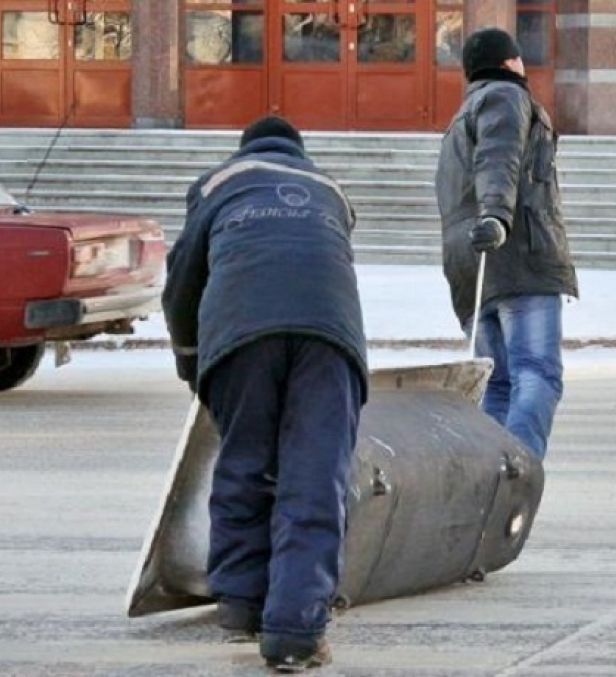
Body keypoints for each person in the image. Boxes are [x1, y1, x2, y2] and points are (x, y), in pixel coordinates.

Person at [162, 115, 368, 671]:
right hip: (329, 337)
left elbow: (182, 279)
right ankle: (295, 633)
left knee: (244, 463)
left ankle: (240, 605)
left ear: (244, 148)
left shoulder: (217, 184)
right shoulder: (330, 190)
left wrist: (190, 361)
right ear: (299, 152)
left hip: (240, 334)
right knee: (314, 476)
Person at [434, 27, 578, 461]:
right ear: (509, 62)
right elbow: (499, 158)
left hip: (470, 272)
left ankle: (489, 481)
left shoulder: (458, 122)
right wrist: (497, 217)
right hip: (518, 259)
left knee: (497, 384)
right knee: (537, 374)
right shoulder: (504, 96)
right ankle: (515, 470)